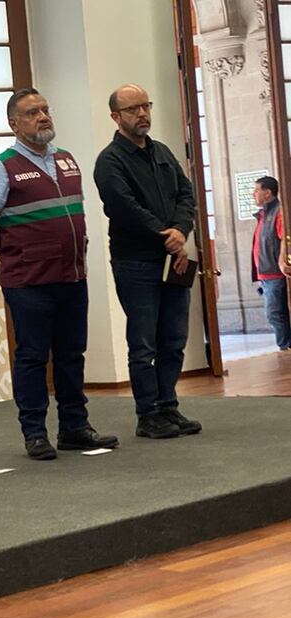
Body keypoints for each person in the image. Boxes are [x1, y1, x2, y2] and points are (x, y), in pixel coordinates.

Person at [0, 88, 118, 460]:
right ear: (14, 124)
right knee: (33, 356)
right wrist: (12, 252)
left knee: (71, 354)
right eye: (33, 113)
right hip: (29, 282)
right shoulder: (1, 167)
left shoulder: (66, 160)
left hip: (72, 277)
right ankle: (35, 432)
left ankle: (74, 427)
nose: (43, 116)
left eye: (45, 109)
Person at [94, 84, 202, 439]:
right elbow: (124, 208)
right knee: (144, 342)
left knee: (174, 337)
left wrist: (180, 230)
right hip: (136, 262)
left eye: (145, 106)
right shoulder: (110, 161)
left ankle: (169, 406)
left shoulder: (163, 153)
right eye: (132, 109)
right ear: (116, 117)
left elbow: (187, 194)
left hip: (174, 259)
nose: (142, 114)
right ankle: (148, 414)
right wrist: (166, 236)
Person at [250, 176, 290, 350]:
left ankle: (285, 349)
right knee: (275, 313)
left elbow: (284, 238)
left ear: (267, 193)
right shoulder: (264, 214)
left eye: (257, 190)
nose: (253, 194)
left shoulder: (279, 212)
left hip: (274, 273)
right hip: (265, 274)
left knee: (275, 313)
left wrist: (282, 259)